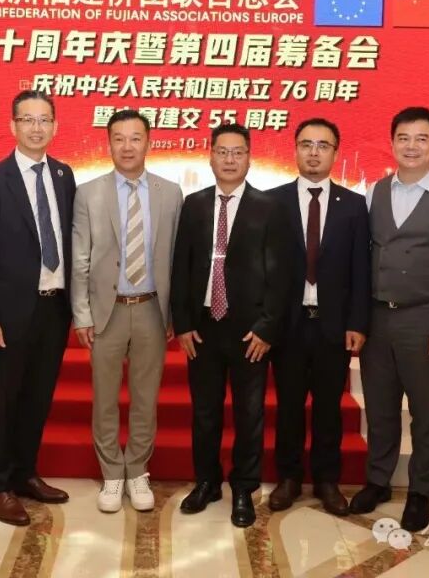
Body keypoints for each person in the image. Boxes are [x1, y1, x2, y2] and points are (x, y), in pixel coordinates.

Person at [349, 106, 429, 533]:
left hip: (425, 319)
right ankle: (378, 480)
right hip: (378, 319)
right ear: (392, 143)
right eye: (404, 138)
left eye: (422, 138)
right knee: (380, 408)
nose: (412, 146)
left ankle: (421, 491)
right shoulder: (374, 192)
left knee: (425, 412)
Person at [170, 123, 291, 528]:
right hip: (202, 327)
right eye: (222, 151)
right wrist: (182, 323)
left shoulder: (269, 207)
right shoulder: (194, 204)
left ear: (249, 157)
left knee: (248, 413)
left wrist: (267, 327)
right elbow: (182, 266)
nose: (229, 159)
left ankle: (244, 487)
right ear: (210, 156)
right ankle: (207, 482)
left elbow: (282, 275)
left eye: (237, 152)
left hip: (249, 330)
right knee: (204, 412)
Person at [0, 90, 76, 526]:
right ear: (12, 125)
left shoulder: (64, 175)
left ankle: (24, 473)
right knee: (1, 400)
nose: (36, 127)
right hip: (8, 315)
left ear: (55, 126)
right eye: (27, 119)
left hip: (54, 309)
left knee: (37, 397)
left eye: (44, 119)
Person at [71, 109, 183, 513]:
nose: (127, 146)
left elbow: (177, 257)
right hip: (107, 311)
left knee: (145, 398)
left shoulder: (171, 193)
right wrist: (82, 314)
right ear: (109, 144)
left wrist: (175, 315)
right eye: (119, 138)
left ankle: (137, 469)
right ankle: (111, 474)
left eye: (135, 138)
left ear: (148, 142)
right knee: (104, 398)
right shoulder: (89, 193)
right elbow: (80, 257)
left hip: (152, 308)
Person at [266, 118, 370, 516]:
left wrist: (357, 323)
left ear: (335, 153)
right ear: (294, 149)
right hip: (288, 325)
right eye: (306, 144)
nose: (314, 152)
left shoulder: (354, 205)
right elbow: (263, 269)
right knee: (289, 406)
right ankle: (289, 478)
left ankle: (327, 480)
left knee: (329, 408)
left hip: (333, 326)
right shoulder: (272, 201)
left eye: (323, 145)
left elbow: (360, 270)